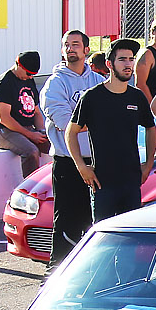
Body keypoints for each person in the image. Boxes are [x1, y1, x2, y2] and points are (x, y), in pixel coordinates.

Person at [68, 39, 156, 223]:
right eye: (122, 59)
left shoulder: (137, 96)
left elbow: (151, 128)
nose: (128, 64)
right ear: (109, 64)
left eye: (131, 59)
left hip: (132, 181)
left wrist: (148, 164)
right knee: (104, 238)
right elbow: (71, 132)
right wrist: (81, 166)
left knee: (131, 236)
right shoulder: (92, 97)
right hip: (102, 182)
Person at [41, 29, 106, 264]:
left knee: (96, 221)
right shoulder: (54, 85)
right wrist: (96, 121)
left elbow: (113, 114)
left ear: (86, 50)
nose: (70, 48)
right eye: (66, 45)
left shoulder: (98, 82)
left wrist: (95, 122)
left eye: (76, 44)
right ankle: (57, 272)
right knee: (68, 222)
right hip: (68, 164)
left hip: (98, 162)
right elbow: (65, 122)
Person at [0, 51, 48, 177]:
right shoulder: (4, 83)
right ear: (18, 65)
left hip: (27, 128)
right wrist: (30, 135)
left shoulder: (28, 80)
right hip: (5, 130)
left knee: (55, 147)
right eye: (28, 73)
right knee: (31, 151)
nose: (30, 77)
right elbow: (4, 118)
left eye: (33, 74)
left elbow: (36, 112)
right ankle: (31, 189)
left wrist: (41, 131)